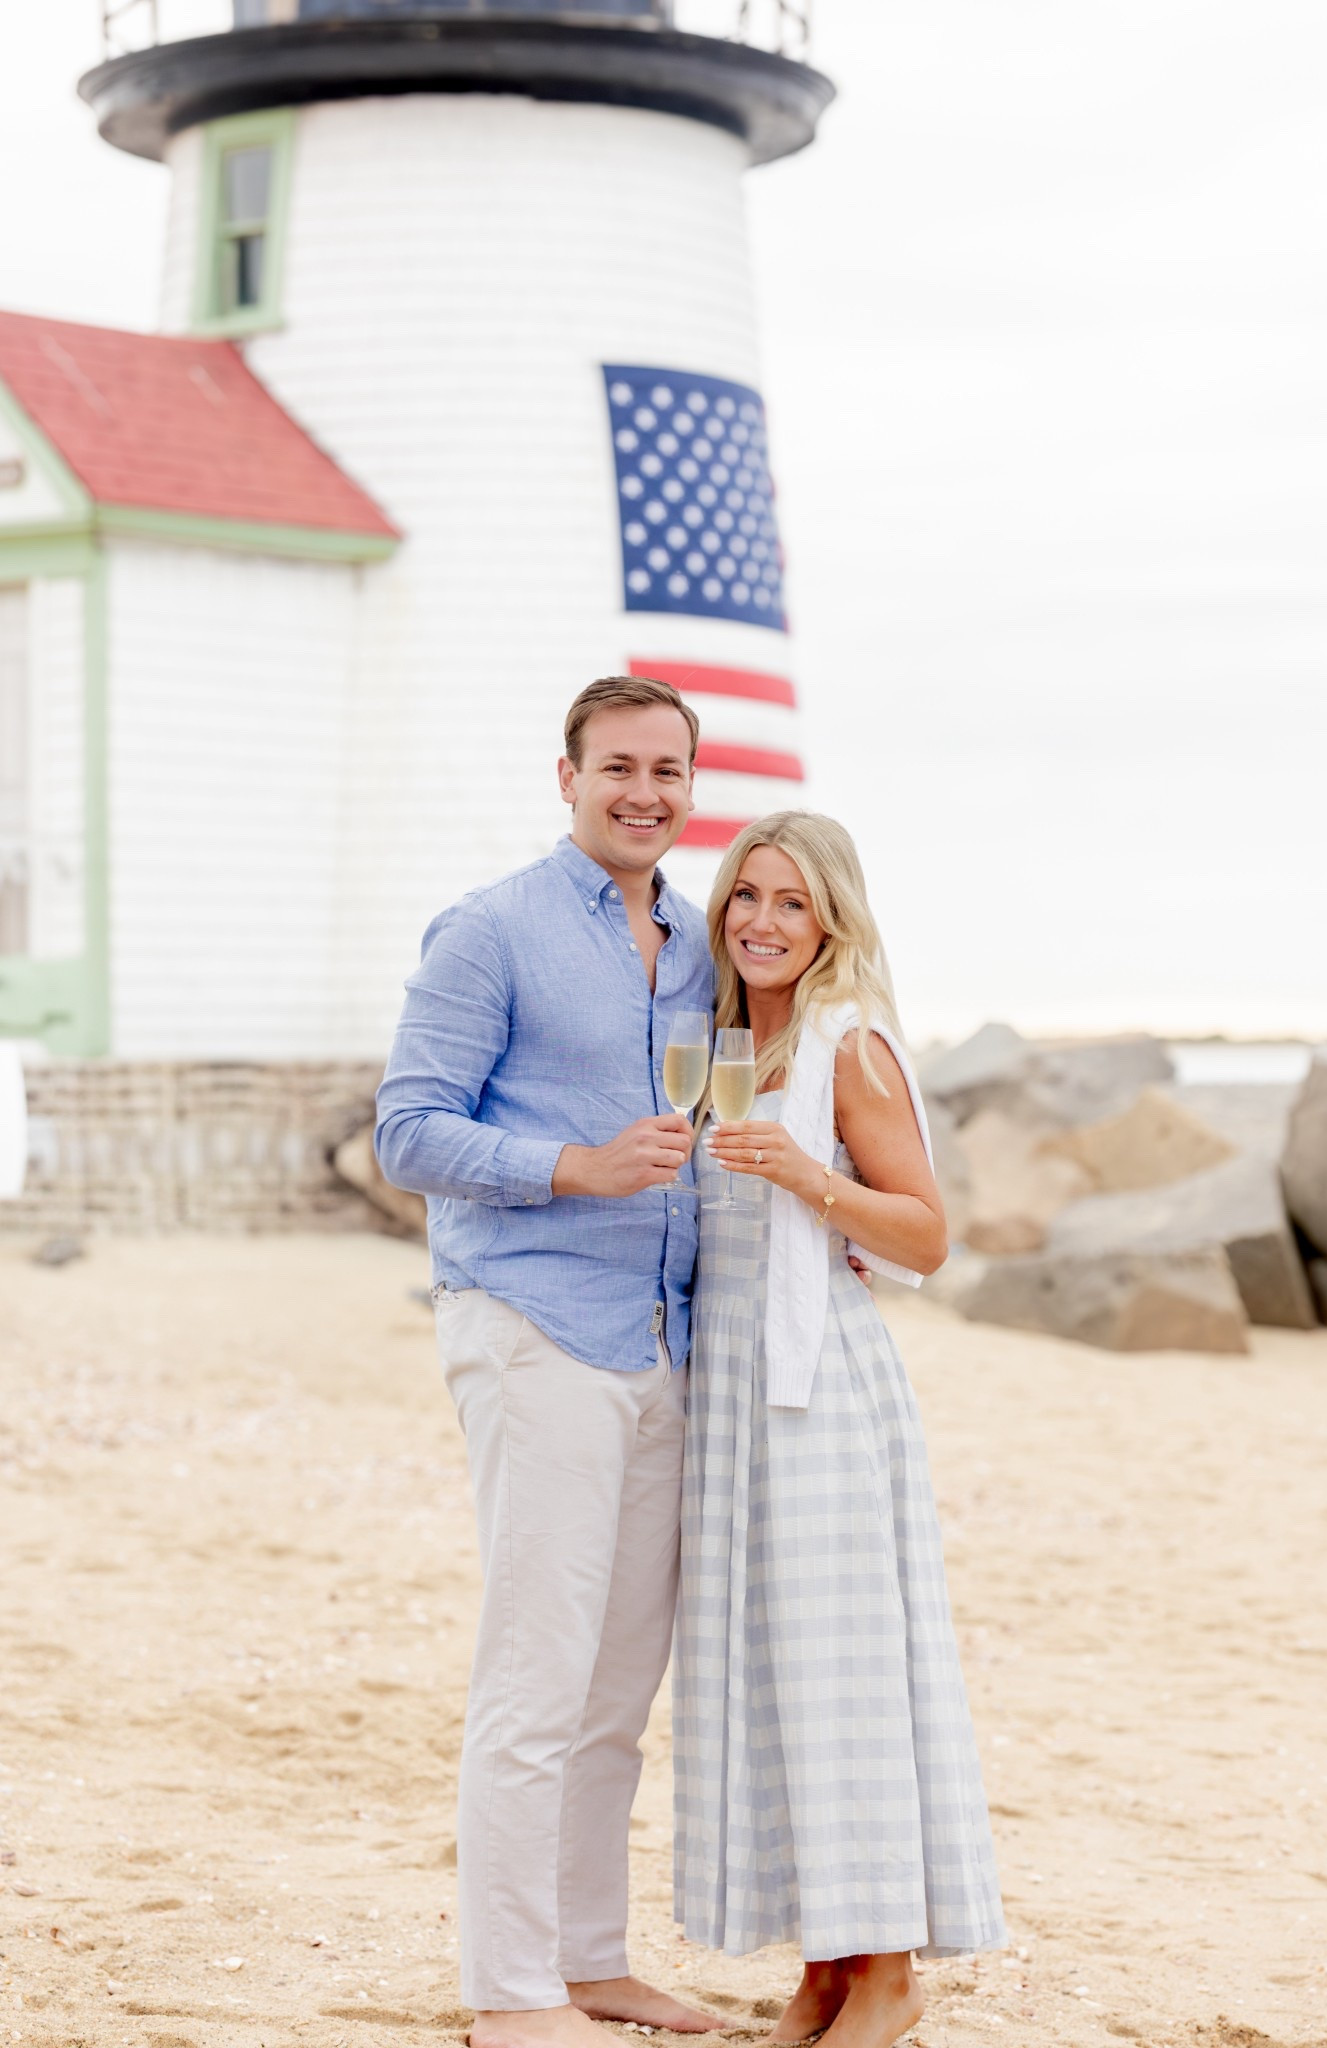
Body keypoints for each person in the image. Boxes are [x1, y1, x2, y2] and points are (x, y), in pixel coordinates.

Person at [374, 675, 723, 2048]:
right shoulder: (489, 931)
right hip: (531, 1330)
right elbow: (406, 1133)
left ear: (693, 787)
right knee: (535, 1674)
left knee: (615, 1692)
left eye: (669, 771)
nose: (645, 791)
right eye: (619, 766)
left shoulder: (700, 945)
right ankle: (507, 1994)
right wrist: (574, 1168)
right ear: (567, 775)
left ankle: (591, 1962)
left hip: (660, 1339)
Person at [673, 811, 1007, 2048]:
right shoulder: (707, 1041)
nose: (761, 920)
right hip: (728, 1403)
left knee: (847, 1672)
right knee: (773, 1678)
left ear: (831, 923)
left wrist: (809, 1175)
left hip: (819, 1392)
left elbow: (924, 1235)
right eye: (745, 896)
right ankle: (823, 1966)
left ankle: (887, 1974)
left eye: (792, 903)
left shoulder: (847, 1047)